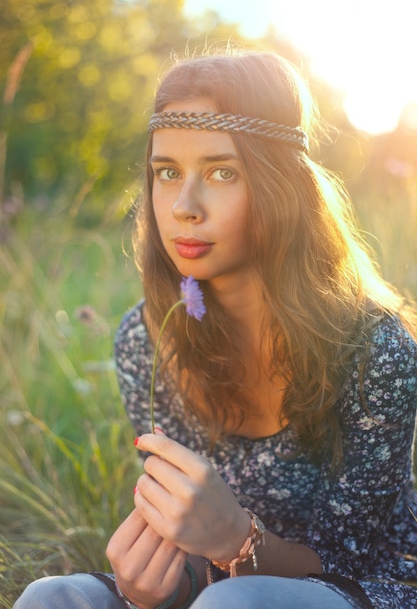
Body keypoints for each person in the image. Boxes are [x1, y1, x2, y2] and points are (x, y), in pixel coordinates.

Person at [14, 50, 417, 609]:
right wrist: (151, 584)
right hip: (215, 592)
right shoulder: (145, 342)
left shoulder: (373, 349)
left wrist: (239, 540)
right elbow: (190, 553)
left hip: (359, 588)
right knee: (52, 595)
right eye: (167, 172)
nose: (183, 205)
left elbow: (349, 560)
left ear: (281, 186)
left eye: (222, 172)